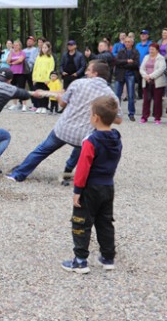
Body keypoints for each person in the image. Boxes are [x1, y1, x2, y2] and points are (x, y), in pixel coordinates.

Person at [7, 60, 122, 183]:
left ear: (95, 73)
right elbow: (118, 119)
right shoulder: (111, 96)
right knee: (79, 149)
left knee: (41, 151)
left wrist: (59, 96)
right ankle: (67, 173)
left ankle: (18, 174)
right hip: (84, 136)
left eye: (88, 70)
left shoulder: (78, 83)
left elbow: (62, 104)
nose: (86, 72)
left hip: (63, 129)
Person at [61, 95, 122, 274]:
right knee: (105, 222)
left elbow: (83, 168)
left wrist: (77, 190)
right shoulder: (116, 137)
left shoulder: (91, 140)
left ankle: (80, 260)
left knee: (81, 222)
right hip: (108, 186)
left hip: (90, 188)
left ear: (95, 118)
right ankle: (108, 257)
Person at [139, 43, 166, 124]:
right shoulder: (146, 57)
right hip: (146, 81)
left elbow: (161, 70)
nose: (151, 51)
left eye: (152, 49)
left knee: (157, 101)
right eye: (150, 49)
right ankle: (144, 117)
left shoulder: (161, 58)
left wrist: (150, 76)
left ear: (157, 50)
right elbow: (141, 68)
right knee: (146, 100)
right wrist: (145, 76)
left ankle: (157, 118)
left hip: (157, 82)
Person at [113, 37, 140, 121]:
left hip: (130, 75)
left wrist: (123, 63)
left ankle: (131, 113)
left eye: (129, 42)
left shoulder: (135, 52)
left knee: (131, 95)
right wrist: (127, 61)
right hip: (120, 74)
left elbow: (136, 64)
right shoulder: (121, 51)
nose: (127, 43)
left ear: (132, 43)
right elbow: (116, 62)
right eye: (126, 42)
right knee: (117, 95)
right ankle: (116, 113)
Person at [32, 41, 55, 114]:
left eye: (45, 48)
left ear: (48, 48)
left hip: (45, 79)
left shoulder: (50, 57)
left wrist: (48, 79)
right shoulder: (39, 56)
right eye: (43, 48)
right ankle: (39, 106)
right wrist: (34, 78)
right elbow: (35, 67)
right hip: (38, 78)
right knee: (38, 93)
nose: (44, 49)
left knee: (45, 93)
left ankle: (44, 106)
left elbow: (51, 68)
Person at [6, 40, 27, 111]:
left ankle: (24, 105)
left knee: (22, 88)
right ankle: (14, 104)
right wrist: (11, 54)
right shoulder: (11, 53)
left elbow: (20, 60)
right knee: (13, 88)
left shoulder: (22, 52)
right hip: (12, 73)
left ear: (20, 46)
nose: (15, 46)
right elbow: (8, 61)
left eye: (17, 45)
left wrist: (12, 63)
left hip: (21, 73)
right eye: (14, 45)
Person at [135, 29, 152, 99]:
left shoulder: (150, 44)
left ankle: (149, 95)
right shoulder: (137, 45)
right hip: (138, 66)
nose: (143, 35)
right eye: (141, 34)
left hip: (148, 67)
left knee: (148, 81)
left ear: (147, 36)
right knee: (139, 81)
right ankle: (140, 95)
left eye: (144, 34)